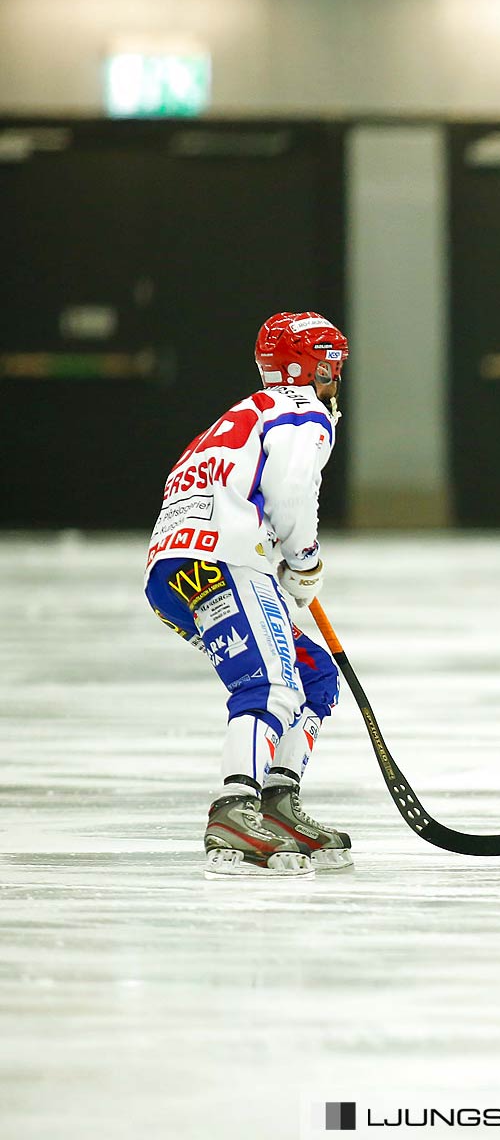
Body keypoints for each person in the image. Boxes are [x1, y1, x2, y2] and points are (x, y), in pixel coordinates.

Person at [144, 312, 352, 877]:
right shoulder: (304, 413)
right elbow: (288, 496)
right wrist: (304, 563)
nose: (334, 379)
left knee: (312, 676)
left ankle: (277, 804)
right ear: (310, 367)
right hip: (227, 560)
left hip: (172, 573)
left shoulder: (242, 412)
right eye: (330, 366)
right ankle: (237, 805)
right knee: (268, 683)